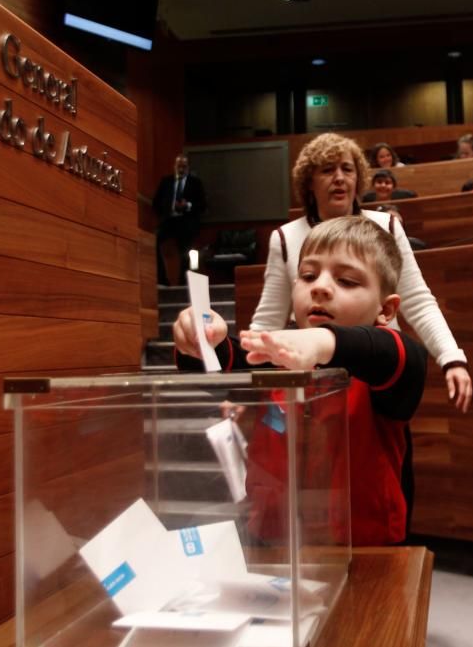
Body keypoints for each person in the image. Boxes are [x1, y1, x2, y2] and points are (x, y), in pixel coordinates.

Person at [174, 133, 471, 412]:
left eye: (347, 169)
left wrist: (450, 356)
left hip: (376, 372)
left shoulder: (387, 226)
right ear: (309, 183)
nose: (339, 177)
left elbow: (417, 301)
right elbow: (268, 323)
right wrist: (206, 342)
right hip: (307, 374)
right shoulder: (285, 237)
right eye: (328, 170)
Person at [175, 216, 427, 546]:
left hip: (365, 551)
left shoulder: (383, 365)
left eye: (347, 281)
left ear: (387, 310)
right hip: (274, 542)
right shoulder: (280, 354)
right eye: (308, 276)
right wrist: (203, 341)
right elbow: (228, 363)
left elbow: (399, 354)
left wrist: (324, 341)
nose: (319, 287)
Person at [153, 153, 207, 285]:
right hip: (169, 220)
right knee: (154, 242)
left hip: (186, 221)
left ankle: (183, 282)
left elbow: (203, 205)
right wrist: (167, 209)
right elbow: (156, 203)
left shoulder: (195, 183)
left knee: (186, 251)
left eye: (184, 166)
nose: (181, 169)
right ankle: (162, 279)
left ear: (188, 167)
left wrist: (187, 205)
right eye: (179, 166)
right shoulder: (166, 182)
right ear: (174, 166)